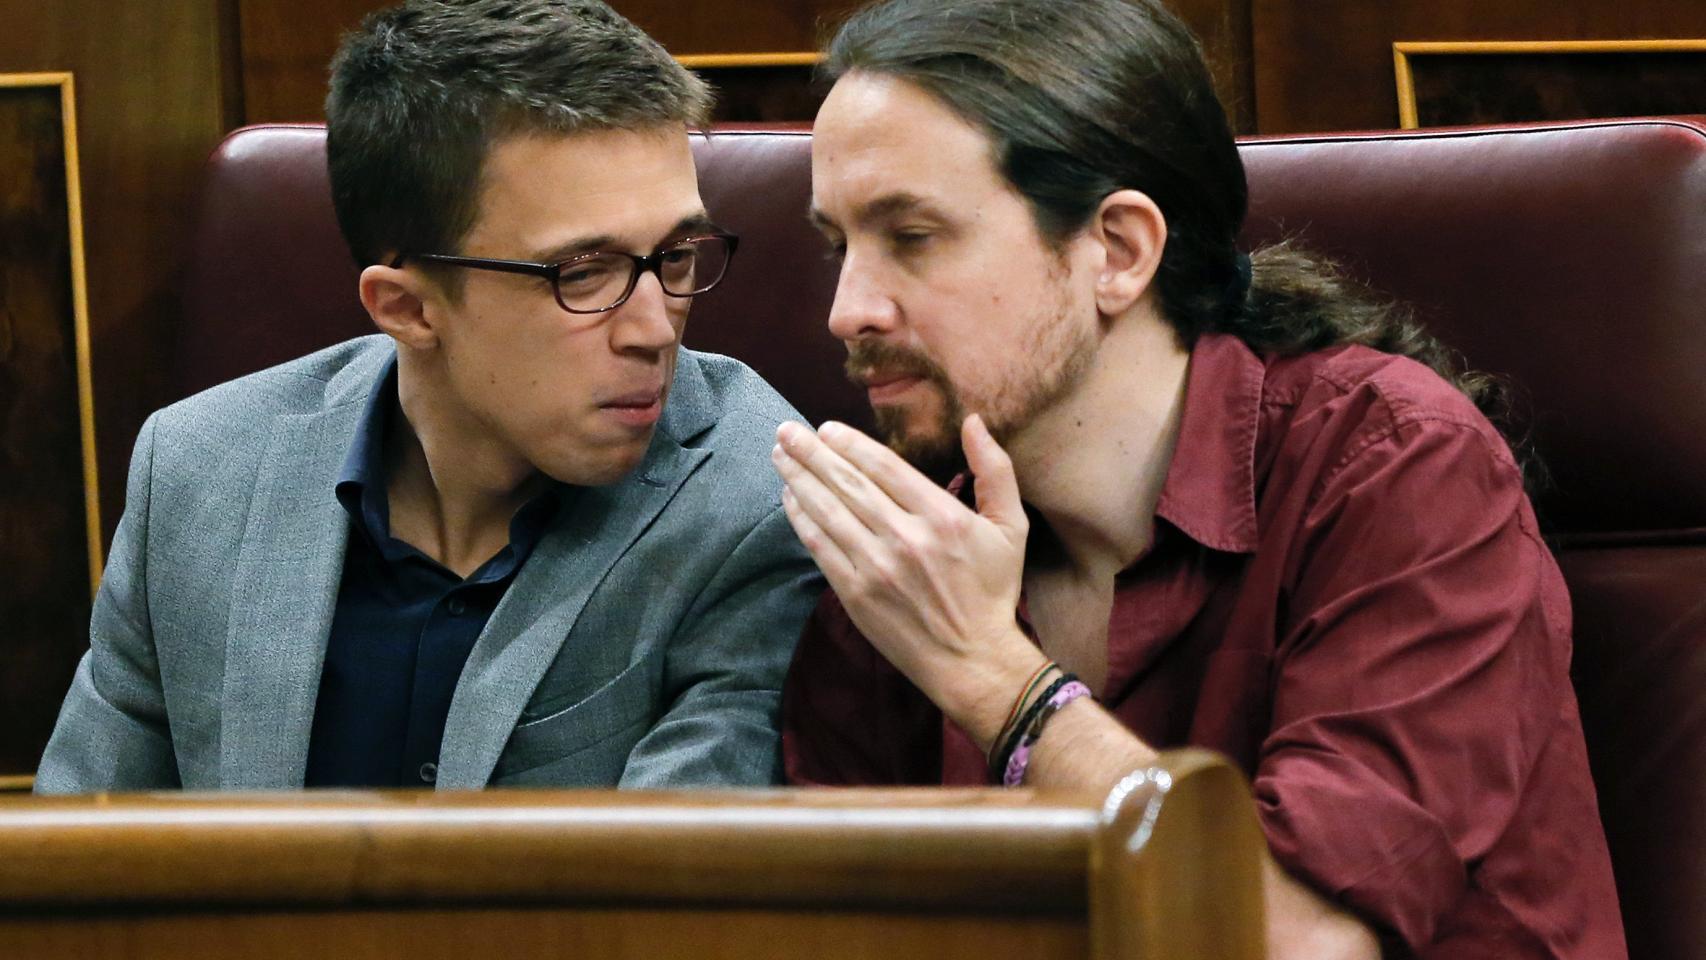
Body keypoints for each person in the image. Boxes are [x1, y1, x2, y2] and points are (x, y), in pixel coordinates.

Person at [773, 0, 1625, 956]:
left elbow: (1302, 942)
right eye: (838, 245)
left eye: (912, 235)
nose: (849, 309)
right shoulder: (907, 546)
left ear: (1120, 251)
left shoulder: (1399, 466)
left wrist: (998, 683)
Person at [37, 0, 820, 792]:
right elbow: (81, 868)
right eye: (584, 273)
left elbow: (674, 895)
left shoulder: (759, 501)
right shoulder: (197, 471)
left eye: (678, 254)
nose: (657, 329)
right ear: (406, 309)